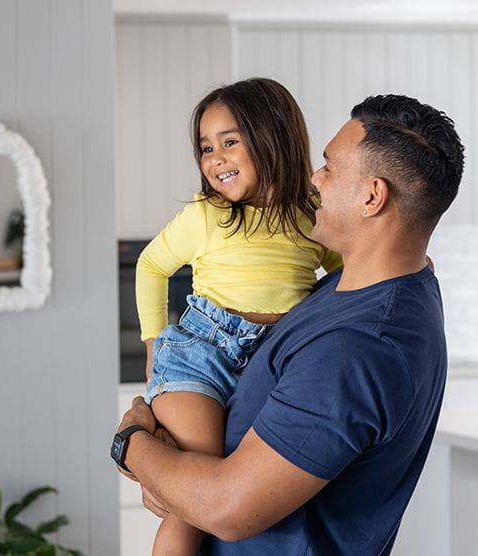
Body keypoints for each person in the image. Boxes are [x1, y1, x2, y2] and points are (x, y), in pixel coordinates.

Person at [112, 93, 465, 555]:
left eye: (329, 167)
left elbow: (226, 509)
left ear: (372, 196)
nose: (314, 178)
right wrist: (176, 477)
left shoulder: (357, 348)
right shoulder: (353, 290)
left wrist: (133, 444)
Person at [135, 78, 342, 555]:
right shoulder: (206, 215)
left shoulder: (313, 215)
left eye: (230, 141)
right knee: (194, 498)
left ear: (273, 137)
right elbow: (151, 266)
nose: (215, 159)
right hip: (198, 357)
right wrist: (153, 349)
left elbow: (346, 275)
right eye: (206, 148)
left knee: (255, 491)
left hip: (273, 362)